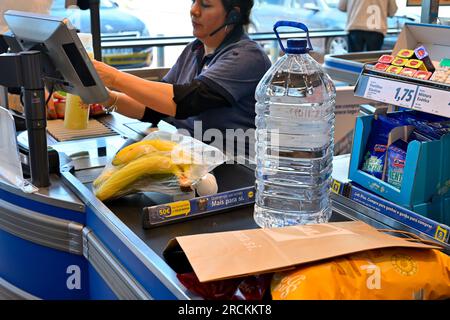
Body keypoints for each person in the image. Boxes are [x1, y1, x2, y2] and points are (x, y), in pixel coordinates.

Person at [93, 0, 271, 154]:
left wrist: (115, 77)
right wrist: (108, 97)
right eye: (194, 1)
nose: (194, 10)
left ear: (233, 15)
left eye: (205, 4)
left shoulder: (247, 57)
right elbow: (154, 108)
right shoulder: (194, 50)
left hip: (233, 165)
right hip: (192, 157)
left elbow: (185, 102)